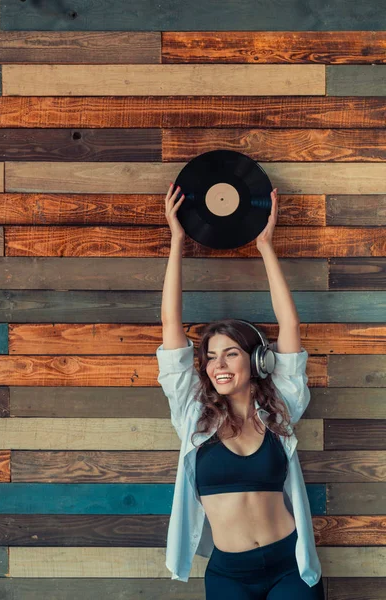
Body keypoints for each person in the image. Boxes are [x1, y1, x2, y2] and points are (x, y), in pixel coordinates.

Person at [156, 182, 325, 599]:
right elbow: (169, 327)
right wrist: (177, 242)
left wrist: (266, 247)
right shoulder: (193, 414)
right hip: (230, 574)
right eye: (211, 357)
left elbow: (290, 329)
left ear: (257, 361)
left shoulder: (281, 407)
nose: (218, 365)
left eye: (231, 354)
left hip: (289, 565)